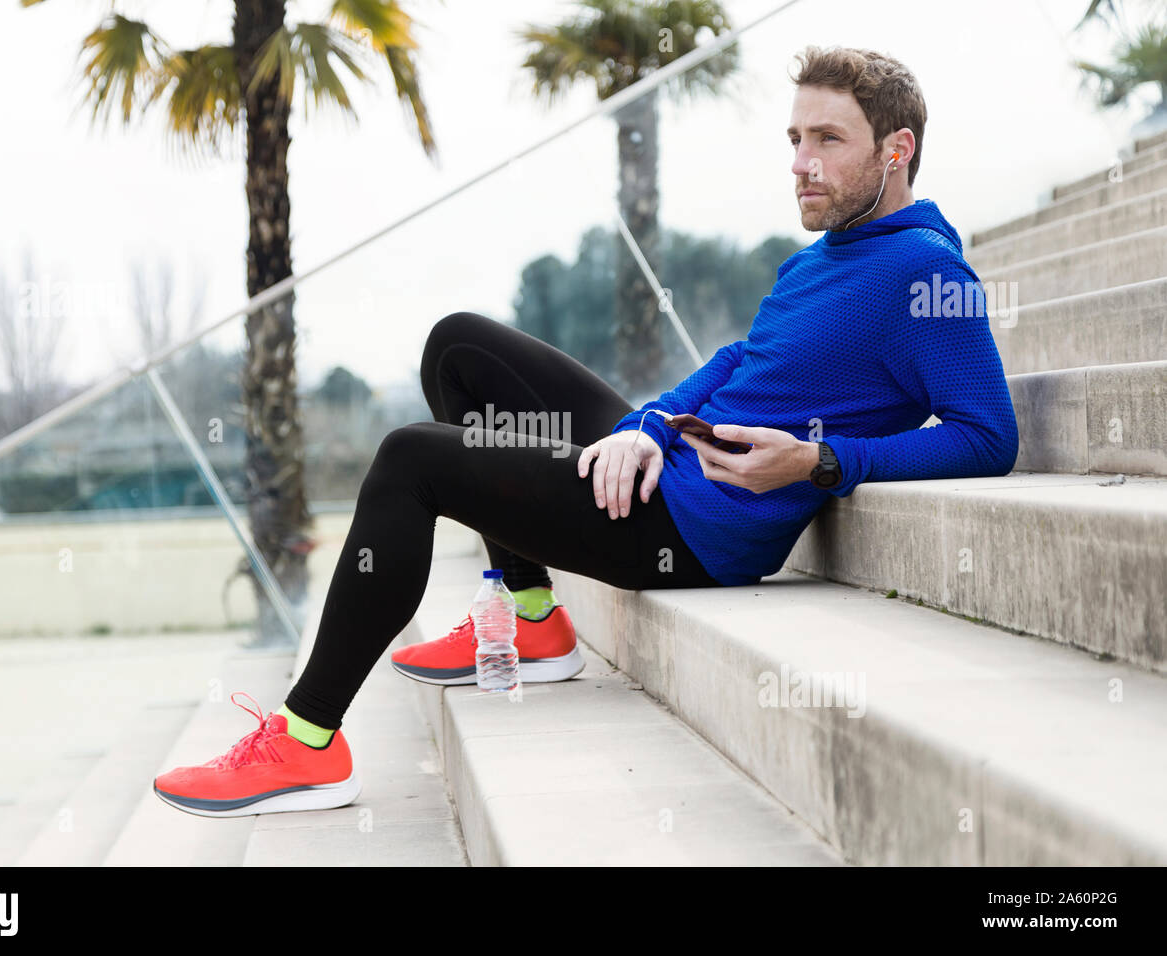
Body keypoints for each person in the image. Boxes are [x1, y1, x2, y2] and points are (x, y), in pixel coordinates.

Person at [151, 45, 1018, 817]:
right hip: (660, 456)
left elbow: (988, 436)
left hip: (690, 526)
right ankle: (531, 616)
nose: (800, 162)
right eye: (793, 139)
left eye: (827, 140)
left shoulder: (926, 276)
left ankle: (307, 742)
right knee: (459, 346)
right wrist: (644, 423)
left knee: (410, 459)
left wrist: (821, 461)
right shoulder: (820, 256)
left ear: (895, 150)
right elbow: (735, 360)